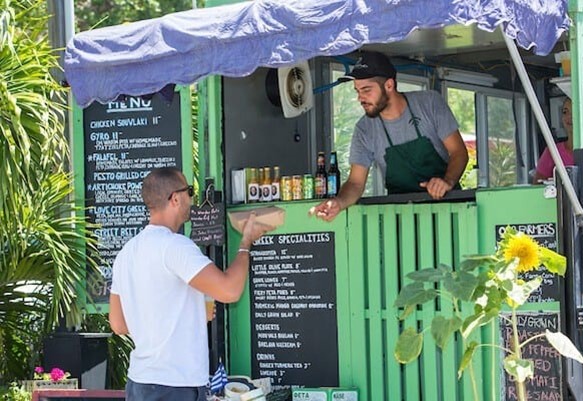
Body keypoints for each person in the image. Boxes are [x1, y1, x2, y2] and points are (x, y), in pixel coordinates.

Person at [109, 167, 273, 401]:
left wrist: (187, 314)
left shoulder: (126, 253)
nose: (192, 199)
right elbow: (229, 290)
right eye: (190, 191)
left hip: (139, 383)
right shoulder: (175, 246)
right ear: (175, 198)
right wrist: (245, 243)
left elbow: (119, 324)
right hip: (175, 386)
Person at [311, 51, 468, 221]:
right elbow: (356, 183)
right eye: (357, 91)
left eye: (366, 90)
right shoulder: (364, 129)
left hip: (450, 211)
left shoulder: (429, 103)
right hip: (402, 219)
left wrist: (448, 181)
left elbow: (459, 152)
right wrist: (339, 203)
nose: (360, 98)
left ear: (389, 85)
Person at [533, 97, 574, 183]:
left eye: (574, 111)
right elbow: (537, 184)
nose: (569, 116)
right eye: (565, 112)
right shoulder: (552, 151)